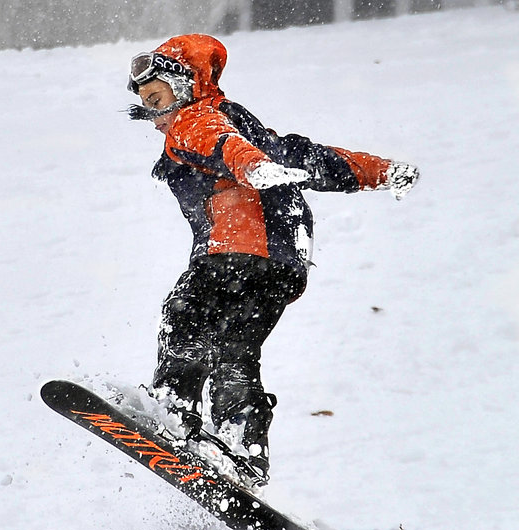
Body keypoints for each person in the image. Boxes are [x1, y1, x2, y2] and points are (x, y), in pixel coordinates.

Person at [127, 34, 419, 486]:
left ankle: (171, 412)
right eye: (148, 104)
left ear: (186, 87)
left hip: (234, 254)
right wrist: (381, 171)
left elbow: (223, 145)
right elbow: (319, 160)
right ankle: (243, 452)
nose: (155, 112)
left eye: (159, 97)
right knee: (235, 351)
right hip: (283, 266)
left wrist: (250, 168)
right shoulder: (255, 132)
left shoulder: (195, 120)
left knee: (183, 315)